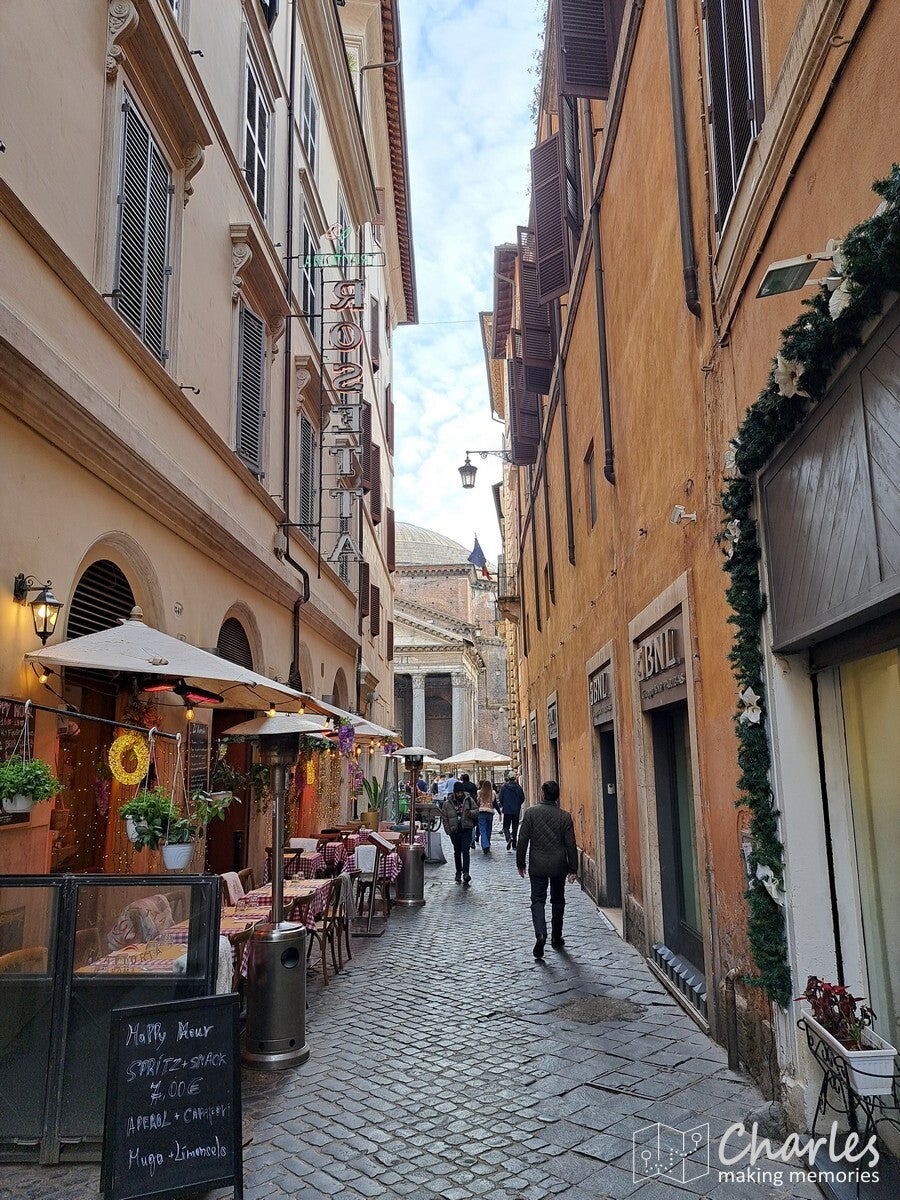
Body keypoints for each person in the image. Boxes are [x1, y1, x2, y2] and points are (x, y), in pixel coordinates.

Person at [516, 780, 577, 958]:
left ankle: (541, 933)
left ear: (543, 794)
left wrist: (520, 863)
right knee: (558, 900)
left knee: (537, 899)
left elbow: (522, 840)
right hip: (559, 865)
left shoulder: (531, 813)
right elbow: (571, 844)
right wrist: (573, 868)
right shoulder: (565, 817)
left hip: (538, 864)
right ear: (557, 796)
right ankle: (556, 937)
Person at [440, 781, 478, 886]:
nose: (460, 794)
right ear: (454, 792)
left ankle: (466, 873)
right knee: (457, 852)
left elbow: (476, 811)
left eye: (461, 792)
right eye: (458, 792)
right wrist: (448, 830)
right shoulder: (447, 803)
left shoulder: (469, 800)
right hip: (454, 831)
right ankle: (458, 872)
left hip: (466, 829)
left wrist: (470, 813)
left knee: (465, 851)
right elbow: (444, 818)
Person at [498, 771, 526, 850]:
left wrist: (504, 805)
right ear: (515, 778)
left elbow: (500, 798)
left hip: (507, 810)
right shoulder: (519, 787)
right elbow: (522, 798)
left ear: (508, 778)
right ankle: (514, 844)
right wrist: (518, 805)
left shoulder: (504, 787)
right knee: (515, 827)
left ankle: (508, 838)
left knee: (506, 826)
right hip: (516, 810)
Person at [476, 778, 495, 854]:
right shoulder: (492, 793)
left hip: (481, 812)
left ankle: (485, 845)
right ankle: (488, 843)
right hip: (490, 812)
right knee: (489, 829)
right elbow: (493, 802)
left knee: (482, 829)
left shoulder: (479, 792)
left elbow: (477, 802)